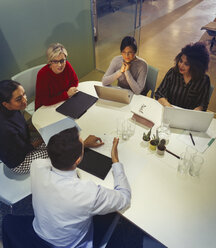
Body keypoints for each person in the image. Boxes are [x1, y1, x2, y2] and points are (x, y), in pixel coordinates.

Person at [30, 127, 131, 248]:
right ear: (78, 160)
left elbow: (57, 157)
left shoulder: (36, 165)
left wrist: (82, 146)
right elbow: (124, 199)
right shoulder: (86, 192)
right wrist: (115, 160)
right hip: (69, 244)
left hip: (40, 230)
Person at [0, 80, 48, 174]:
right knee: (56, 149)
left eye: (24, 94)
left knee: (54, 140)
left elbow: (22, 126)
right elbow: (24, 148)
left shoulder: (12, 109)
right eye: (18, 99)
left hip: (25, 142)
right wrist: (44, 138)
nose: (25, 100)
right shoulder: (5, 129)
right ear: (6, 104)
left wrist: (40, 128)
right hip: (19, 161)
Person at [155, 42, 210, 111]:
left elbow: (203, 104)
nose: (181, 65)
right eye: (180, 61)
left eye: (186, 64)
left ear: (196, 67)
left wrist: (195, 112)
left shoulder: (204, 80)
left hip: (189, 116)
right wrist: (169, 106)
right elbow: (159, 93)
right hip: (170, 110)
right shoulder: (173, 72)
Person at [35, 43, 79, 110]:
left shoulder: (67, 65)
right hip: (45, 108)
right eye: (55, 61)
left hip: (63, 102)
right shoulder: (42, 74)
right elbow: (45, 101)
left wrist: (69, 92)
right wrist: (66, 94)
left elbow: (75, 81)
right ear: (50, 61)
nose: (59, 65)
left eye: (62, 61)